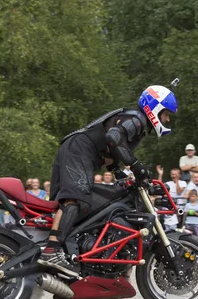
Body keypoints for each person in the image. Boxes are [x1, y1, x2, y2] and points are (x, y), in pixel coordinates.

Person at [39, 85, 177, 271]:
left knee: (73, 201)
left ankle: (67, 247)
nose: (167, 119)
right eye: (166, 113)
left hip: (76, 149)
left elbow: (110, 148)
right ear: (155, 108)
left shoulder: (135, 121)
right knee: (76, 197)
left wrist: (118, 171)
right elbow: (113, 139)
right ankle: (51, 250)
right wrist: (135, 165)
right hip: (79, 150)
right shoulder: (136, 120)